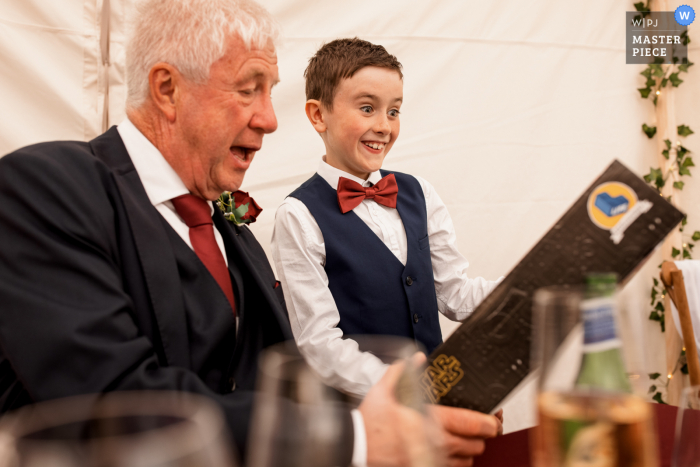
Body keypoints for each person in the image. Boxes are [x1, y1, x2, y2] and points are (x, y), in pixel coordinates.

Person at [0, 2, 500, 465]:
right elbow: (113, 402)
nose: (270, 119)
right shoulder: (46, 186)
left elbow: (282, 377)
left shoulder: (229, 227)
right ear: (168, 89)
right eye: (248, 89)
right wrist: (360, 438)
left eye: (269, 90)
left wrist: (427, 413)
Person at [271, 38, 503, 399]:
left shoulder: (419, 192)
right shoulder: (298, 215)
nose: (384, 126)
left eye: (393, 111)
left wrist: (532, 282)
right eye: (367, 108)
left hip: (435, 404)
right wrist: (411, 393)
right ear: (319, 115)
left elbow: (455, 294)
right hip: (365, 420)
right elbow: (320, 345)